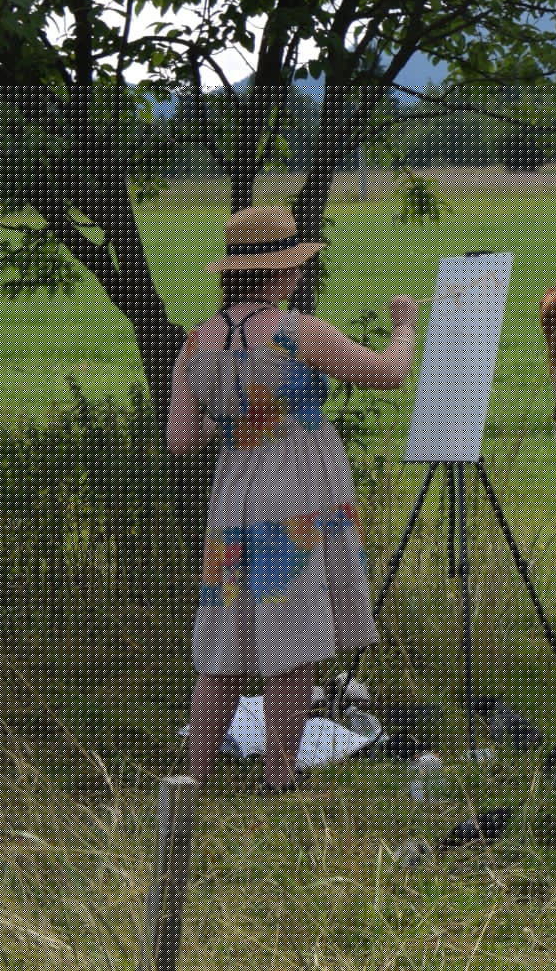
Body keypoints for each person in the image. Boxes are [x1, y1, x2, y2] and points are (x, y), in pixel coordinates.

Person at [166, 206, 419, 792]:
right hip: (300, 490)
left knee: (225, 647)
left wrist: (235, 418)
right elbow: (388, 373)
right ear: (278, 273)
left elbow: (180, 439)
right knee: (296, 641)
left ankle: (194, 778)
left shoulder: (197, 341)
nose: (299, 275)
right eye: (294, 266)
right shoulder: (297, 331)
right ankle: (278, 775)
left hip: (234, 497)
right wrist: (405, 325)